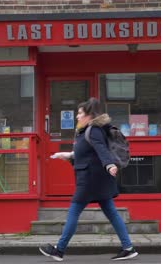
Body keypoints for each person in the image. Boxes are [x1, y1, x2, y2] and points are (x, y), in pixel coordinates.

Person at [39, 98, 138, 261]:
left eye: (80, 113)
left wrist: (109, 165)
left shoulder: (93, 130)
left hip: (91, 179)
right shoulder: (87, 130)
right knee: (111, 212)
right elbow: (87, 153)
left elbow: (101, 150)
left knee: (74, 211)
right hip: (97, 178)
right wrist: (68, 155)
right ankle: (128, 247)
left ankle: (59, 250)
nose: (77, 116)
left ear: (89, 115)